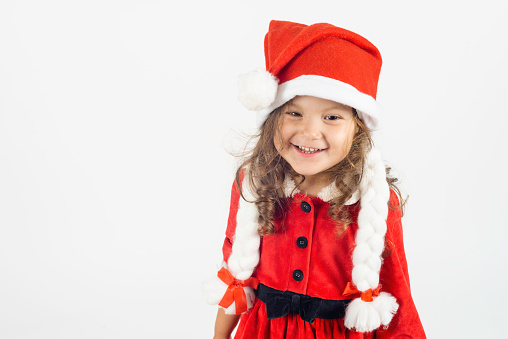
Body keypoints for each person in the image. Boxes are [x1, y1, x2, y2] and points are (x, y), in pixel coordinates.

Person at [203, 20, 426, 338]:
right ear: (271, 119)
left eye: (332, 117)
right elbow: (235, 278)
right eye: (294, 113)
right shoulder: (253, 184)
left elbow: (397, 301)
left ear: (358, 130)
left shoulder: (373, 203)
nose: (309, 132)